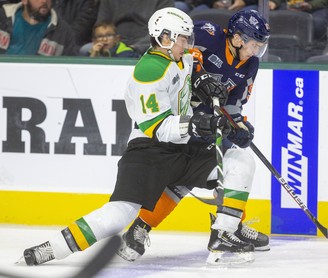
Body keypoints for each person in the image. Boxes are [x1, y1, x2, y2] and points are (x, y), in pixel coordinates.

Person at [20, 7, 257, 266]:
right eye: (182, 39)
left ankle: (223, 232)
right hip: (149, 151)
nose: (188, 44)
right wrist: (199, 123)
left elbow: (192, 70)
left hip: (184, 149)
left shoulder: (180, 56)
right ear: (164, 38)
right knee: (118, 216)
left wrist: (203, 82)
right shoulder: (149, 71)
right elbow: (159, 128)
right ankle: (51, 249)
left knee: (239, 162)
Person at [118, 8, 271, 262]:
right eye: (254, 44)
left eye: (260, 46)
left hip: (210, 122)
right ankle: (141, 226)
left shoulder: (251, 64)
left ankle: (229, 227)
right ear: (237, 38)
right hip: (181, 116)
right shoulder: (207, 34)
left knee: (230, 168)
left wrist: (240, 125)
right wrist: (200, 76)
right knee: (183, 181)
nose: (256, 51)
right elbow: (179, 54)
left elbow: (233, 104)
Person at [95, 0, 174, 56]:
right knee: (86, 49)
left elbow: (164, 28)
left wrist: (137, 48)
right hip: (114, 41)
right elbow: (101, 24)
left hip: (148, 42)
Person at [0, 0, 78, 56]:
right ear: (24, 1)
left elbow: (70, 67)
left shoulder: (63, 32)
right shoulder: (3, 17)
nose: (44, 1)